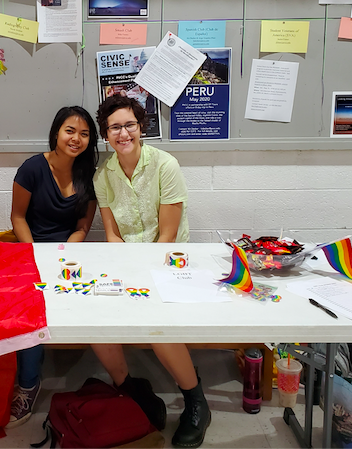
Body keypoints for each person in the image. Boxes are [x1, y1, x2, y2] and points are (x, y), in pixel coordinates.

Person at [92, 96, 210, 449]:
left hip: (171, 261)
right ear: (106, 135)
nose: (123, 133)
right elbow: (112, 234)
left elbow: (168, 237)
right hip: (129, 264)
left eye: (129, 124)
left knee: (157, 324)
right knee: (94, 320)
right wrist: (124, 273)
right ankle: (132, 390)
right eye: (114, 127)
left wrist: (143, 278)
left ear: (141, 127)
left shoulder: (165, 165)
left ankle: (196, 401)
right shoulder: (103, 176)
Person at [8, 106, 99, 426]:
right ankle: (28, 383)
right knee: (28, 312)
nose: (76, 138)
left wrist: (63, 256)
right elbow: (18, 217)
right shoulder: (32, 168)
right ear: (56, 133)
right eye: (70, 131)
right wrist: (36, 256)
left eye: (84, 134)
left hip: (69, 254)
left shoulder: (88, 176)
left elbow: (82, 227)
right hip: (30, 251)